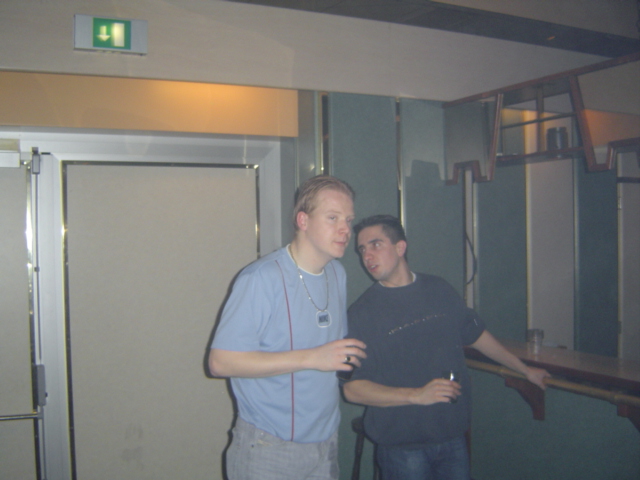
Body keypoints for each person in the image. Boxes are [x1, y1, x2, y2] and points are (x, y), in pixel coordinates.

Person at [342, 214, 550, 480]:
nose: (367, 256)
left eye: (375, 245)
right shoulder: (361, 314)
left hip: (453, 438)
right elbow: (352, 390)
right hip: (402, 449)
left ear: (400, 247)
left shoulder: (438, 289)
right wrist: (416, 395)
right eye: (362, 249)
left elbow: (477, 335)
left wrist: (525, 370)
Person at [209, 175, 367, 480]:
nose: (346, 229)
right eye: (333, 218)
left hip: (326, 442)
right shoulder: (260, 278)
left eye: (349, 220)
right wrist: (313, 357)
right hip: (269, 447)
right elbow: (220, 362)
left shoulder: (337, 273)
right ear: (303, 220)